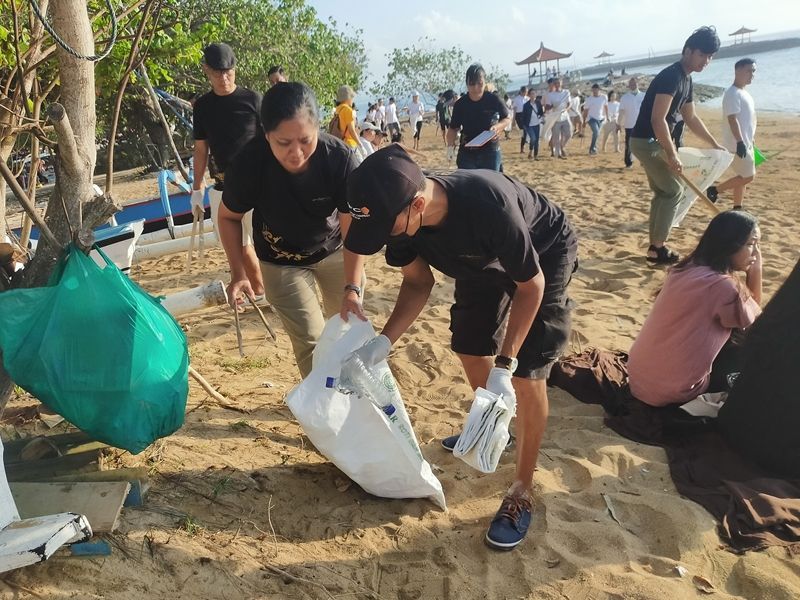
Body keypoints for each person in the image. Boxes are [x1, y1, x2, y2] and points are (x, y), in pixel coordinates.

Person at [342, 144, 578, 551]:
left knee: (524, 374)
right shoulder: (403, 226)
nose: (383, 238)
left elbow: (531, 286)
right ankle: (494, 425)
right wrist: (383, 342)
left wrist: (504, 366)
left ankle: (521, 492)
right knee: (469, 346)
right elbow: (418, 283)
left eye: (386, 227)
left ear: (417, 205)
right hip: (480, 261)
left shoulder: (488, 204)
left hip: (542, 254)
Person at [218, 81, 365, 377]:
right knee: (311, 341)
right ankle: (323, 412)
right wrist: (238, 273)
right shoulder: (250, 164)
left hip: (335, 249)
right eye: (283, 143)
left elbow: (353, 232)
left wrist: (352, 286)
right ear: (266, 134)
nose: (296, 153)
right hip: (280, 259)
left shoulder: (338, 159)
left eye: (305, 140)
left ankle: (355, 403)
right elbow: (228, 217)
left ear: (317, 129)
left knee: (350, 333)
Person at [628, 210, 762, 407]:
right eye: (751, 244)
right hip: (675, 392)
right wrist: (756, 271)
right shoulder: (723, 286)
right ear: (729, 245)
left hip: (638, 381)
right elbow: (757, 324)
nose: (756, 253)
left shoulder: (684, 269)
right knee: (748, 347)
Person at [630, 26, 726, 264]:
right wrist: (672, 154)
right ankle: (658, 247)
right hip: (646, 141)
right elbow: (657, 118)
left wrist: (714, 144)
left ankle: (655, 247)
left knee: (664, 192)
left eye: (710, 57)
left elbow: (691, 118)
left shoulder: (687, 79)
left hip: (651, 141)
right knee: (673, 190)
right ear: (688, 51)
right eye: (702, 54)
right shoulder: (671, 76)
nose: (706, 61)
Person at [191, 43, 265, 301]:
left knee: (264, 242)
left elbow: (271, 140)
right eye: (217, 73)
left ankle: (264, 292)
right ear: (206, 71)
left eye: (228, 73)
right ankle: (257, 292)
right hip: (223, 185)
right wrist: (196, 187)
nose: (224, 79)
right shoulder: (201, 107)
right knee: (239, 247)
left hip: (259, 184)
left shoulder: (253, 99)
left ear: (235, 69)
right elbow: (201, 149)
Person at [707, 58, 758, 210]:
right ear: (737, 70)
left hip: (746, 142)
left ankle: (737, 207)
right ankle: (714, 190)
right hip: (737, 144)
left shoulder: (744, 92)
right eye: (748, 70)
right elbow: (732, 119)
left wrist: (751, 139)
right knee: (748, 176)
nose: (752, 74)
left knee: (742, 176)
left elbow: (747, 119)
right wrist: (740, 142)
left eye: (753, 71)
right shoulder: (732, 93)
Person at [447, 63, 511, 171]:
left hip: (490, 152)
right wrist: (450, 147)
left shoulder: (493, 99)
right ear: (467, 84)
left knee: (491, 185)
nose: (476, 88)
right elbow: (453, 128)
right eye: (472, 84)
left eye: (480, 84)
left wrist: (497, 128)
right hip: (467, 154)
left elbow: (507, 118)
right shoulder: (460, 104)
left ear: (484, 82)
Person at [618, 77, 644, 168]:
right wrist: (619, 123)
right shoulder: (624, 98)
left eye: (634, 84)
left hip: (642, 124)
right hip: (629, 124)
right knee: (629, 144)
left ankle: (643, 161)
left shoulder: (644, 96)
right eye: (631, 84)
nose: (633, 85)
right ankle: (628, 162)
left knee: (643, 144)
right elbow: (621, 112)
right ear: (629, 85)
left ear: (638, 84)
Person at [545, 77, 572, 159]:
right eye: (555, 83)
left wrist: (566, 109)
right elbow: (547, 107)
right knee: (556, 137)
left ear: (561, 83)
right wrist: (553, 106)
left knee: (568, 134)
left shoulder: (566, 92)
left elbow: (569, 103)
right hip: (555, 117)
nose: (557, 84)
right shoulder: (550, 95)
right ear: (553, 84)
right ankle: (558, 154)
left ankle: (562, 146)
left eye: (558, 83)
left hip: (565, 116)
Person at [582, 83, 607, 155]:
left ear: (599, 90)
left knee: (597, 134)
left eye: (596, 90)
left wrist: (607, 116)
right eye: (593, 90)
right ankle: (592, 149)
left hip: (601, 118)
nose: (594, 91)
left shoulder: (604, 97)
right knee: (596, 132)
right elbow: (585, 111)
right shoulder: (589, 99)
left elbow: (605, 106)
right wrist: (584, 121)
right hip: (591, 118)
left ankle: (595, 148)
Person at [333, 85, 360, 150]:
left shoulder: (337, 109)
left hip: (340, 142)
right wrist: (360, 144)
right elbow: (351, 130)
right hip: (350, 143)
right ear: (349, 98)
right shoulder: (348, 110)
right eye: (352, 97)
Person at [522, 90, 544, 159]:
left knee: (536, 140)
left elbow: (541, 113)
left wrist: (542, 117)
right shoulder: (526, 105)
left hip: (537, 124)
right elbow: (524, 116)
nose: (533, 95)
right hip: (529, 125)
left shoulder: (538, 103)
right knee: (533, 138)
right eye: (531, 94)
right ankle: (531, 150)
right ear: (529, 95)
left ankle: (535, 155)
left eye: (534, 94)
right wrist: (524, 125)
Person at [512, 86, 528, 152]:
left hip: (526, 115)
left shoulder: (527, 99)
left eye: (526, 92)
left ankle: (523, 145)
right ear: (521, 91)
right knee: (524, 131)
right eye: (524, 92)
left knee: (525, 132)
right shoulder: (516, 99)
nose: (525, 93)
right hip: (519, 116)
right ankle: (522, 147)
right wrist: (513, 119)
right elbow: (515, 109)